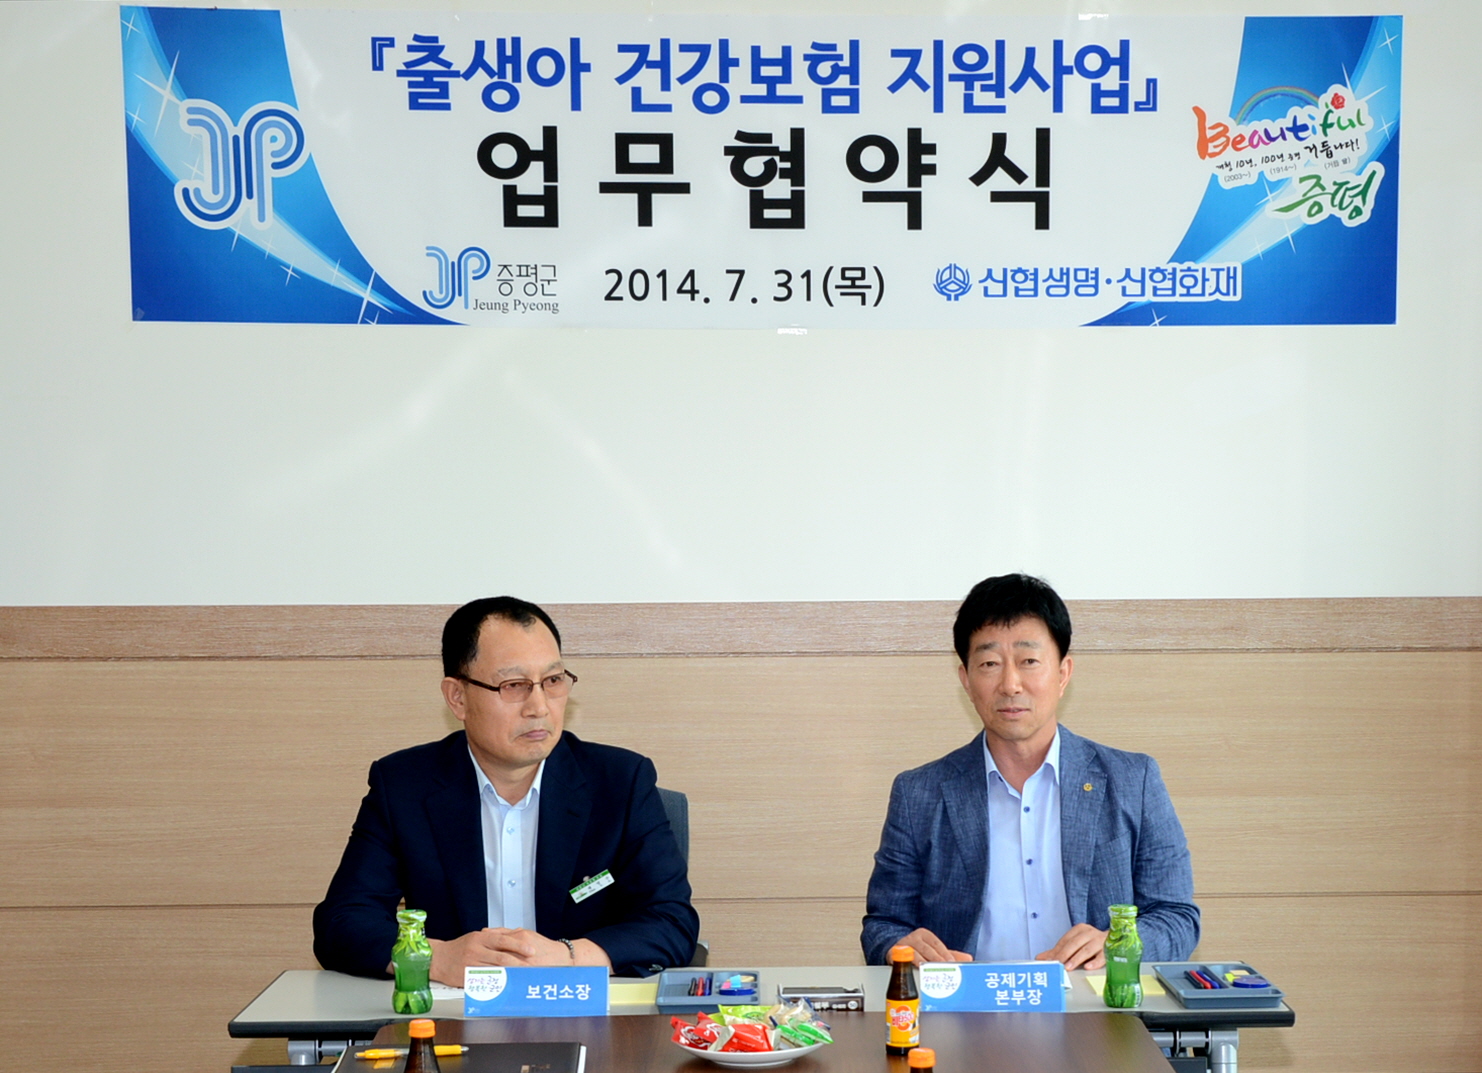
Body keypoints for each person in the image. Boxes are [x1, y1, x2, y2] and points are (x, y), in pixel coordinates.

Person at [313, 596, 699, 981]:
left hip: (579, 1007)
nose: (539, 707)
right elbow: (342, 922)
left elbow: (671, 921)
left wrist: (567, 956)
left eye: (553, 681)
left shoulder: (621, 782)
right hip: (455, 1011)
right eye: (514, 685)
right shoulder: (404, 786)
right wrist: (438, 958)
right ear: (458, 697)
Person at [862, 574, 1199, 968]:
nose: (1010, 684)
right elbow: (883, 926)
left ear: (1063, 673)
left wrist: (1118, 945)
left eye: (1029, 662)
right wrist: (898, 947)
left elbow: (1177, 918)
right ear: (966, 679)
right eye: (990, 663)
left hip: (1091, 1003)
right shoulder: (919, 793)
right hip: (967, 1004)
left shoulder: (1132, 780)